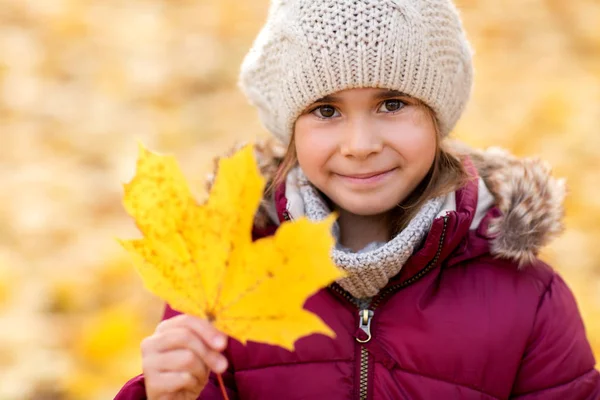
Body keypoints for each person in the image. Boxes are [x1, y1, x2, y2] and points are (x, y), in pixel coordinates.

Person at [116, 0, 600, 398]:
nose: (361, 143)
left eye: (392, 104)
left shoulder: (528, 299)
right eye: (326, 110)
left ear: (438, 115)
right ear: (291, 133)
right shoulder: (220, 279)